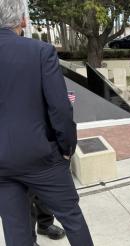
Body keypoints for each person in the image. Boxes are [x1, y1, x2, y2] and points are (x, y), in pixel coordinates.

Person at [0, 1, 93, 246]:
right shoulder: (40, 51)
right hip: (42, 156)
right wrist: (66, 148)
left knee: (15, 231)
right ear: (22, 20)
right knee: (72, 219)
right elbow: (60, 108)